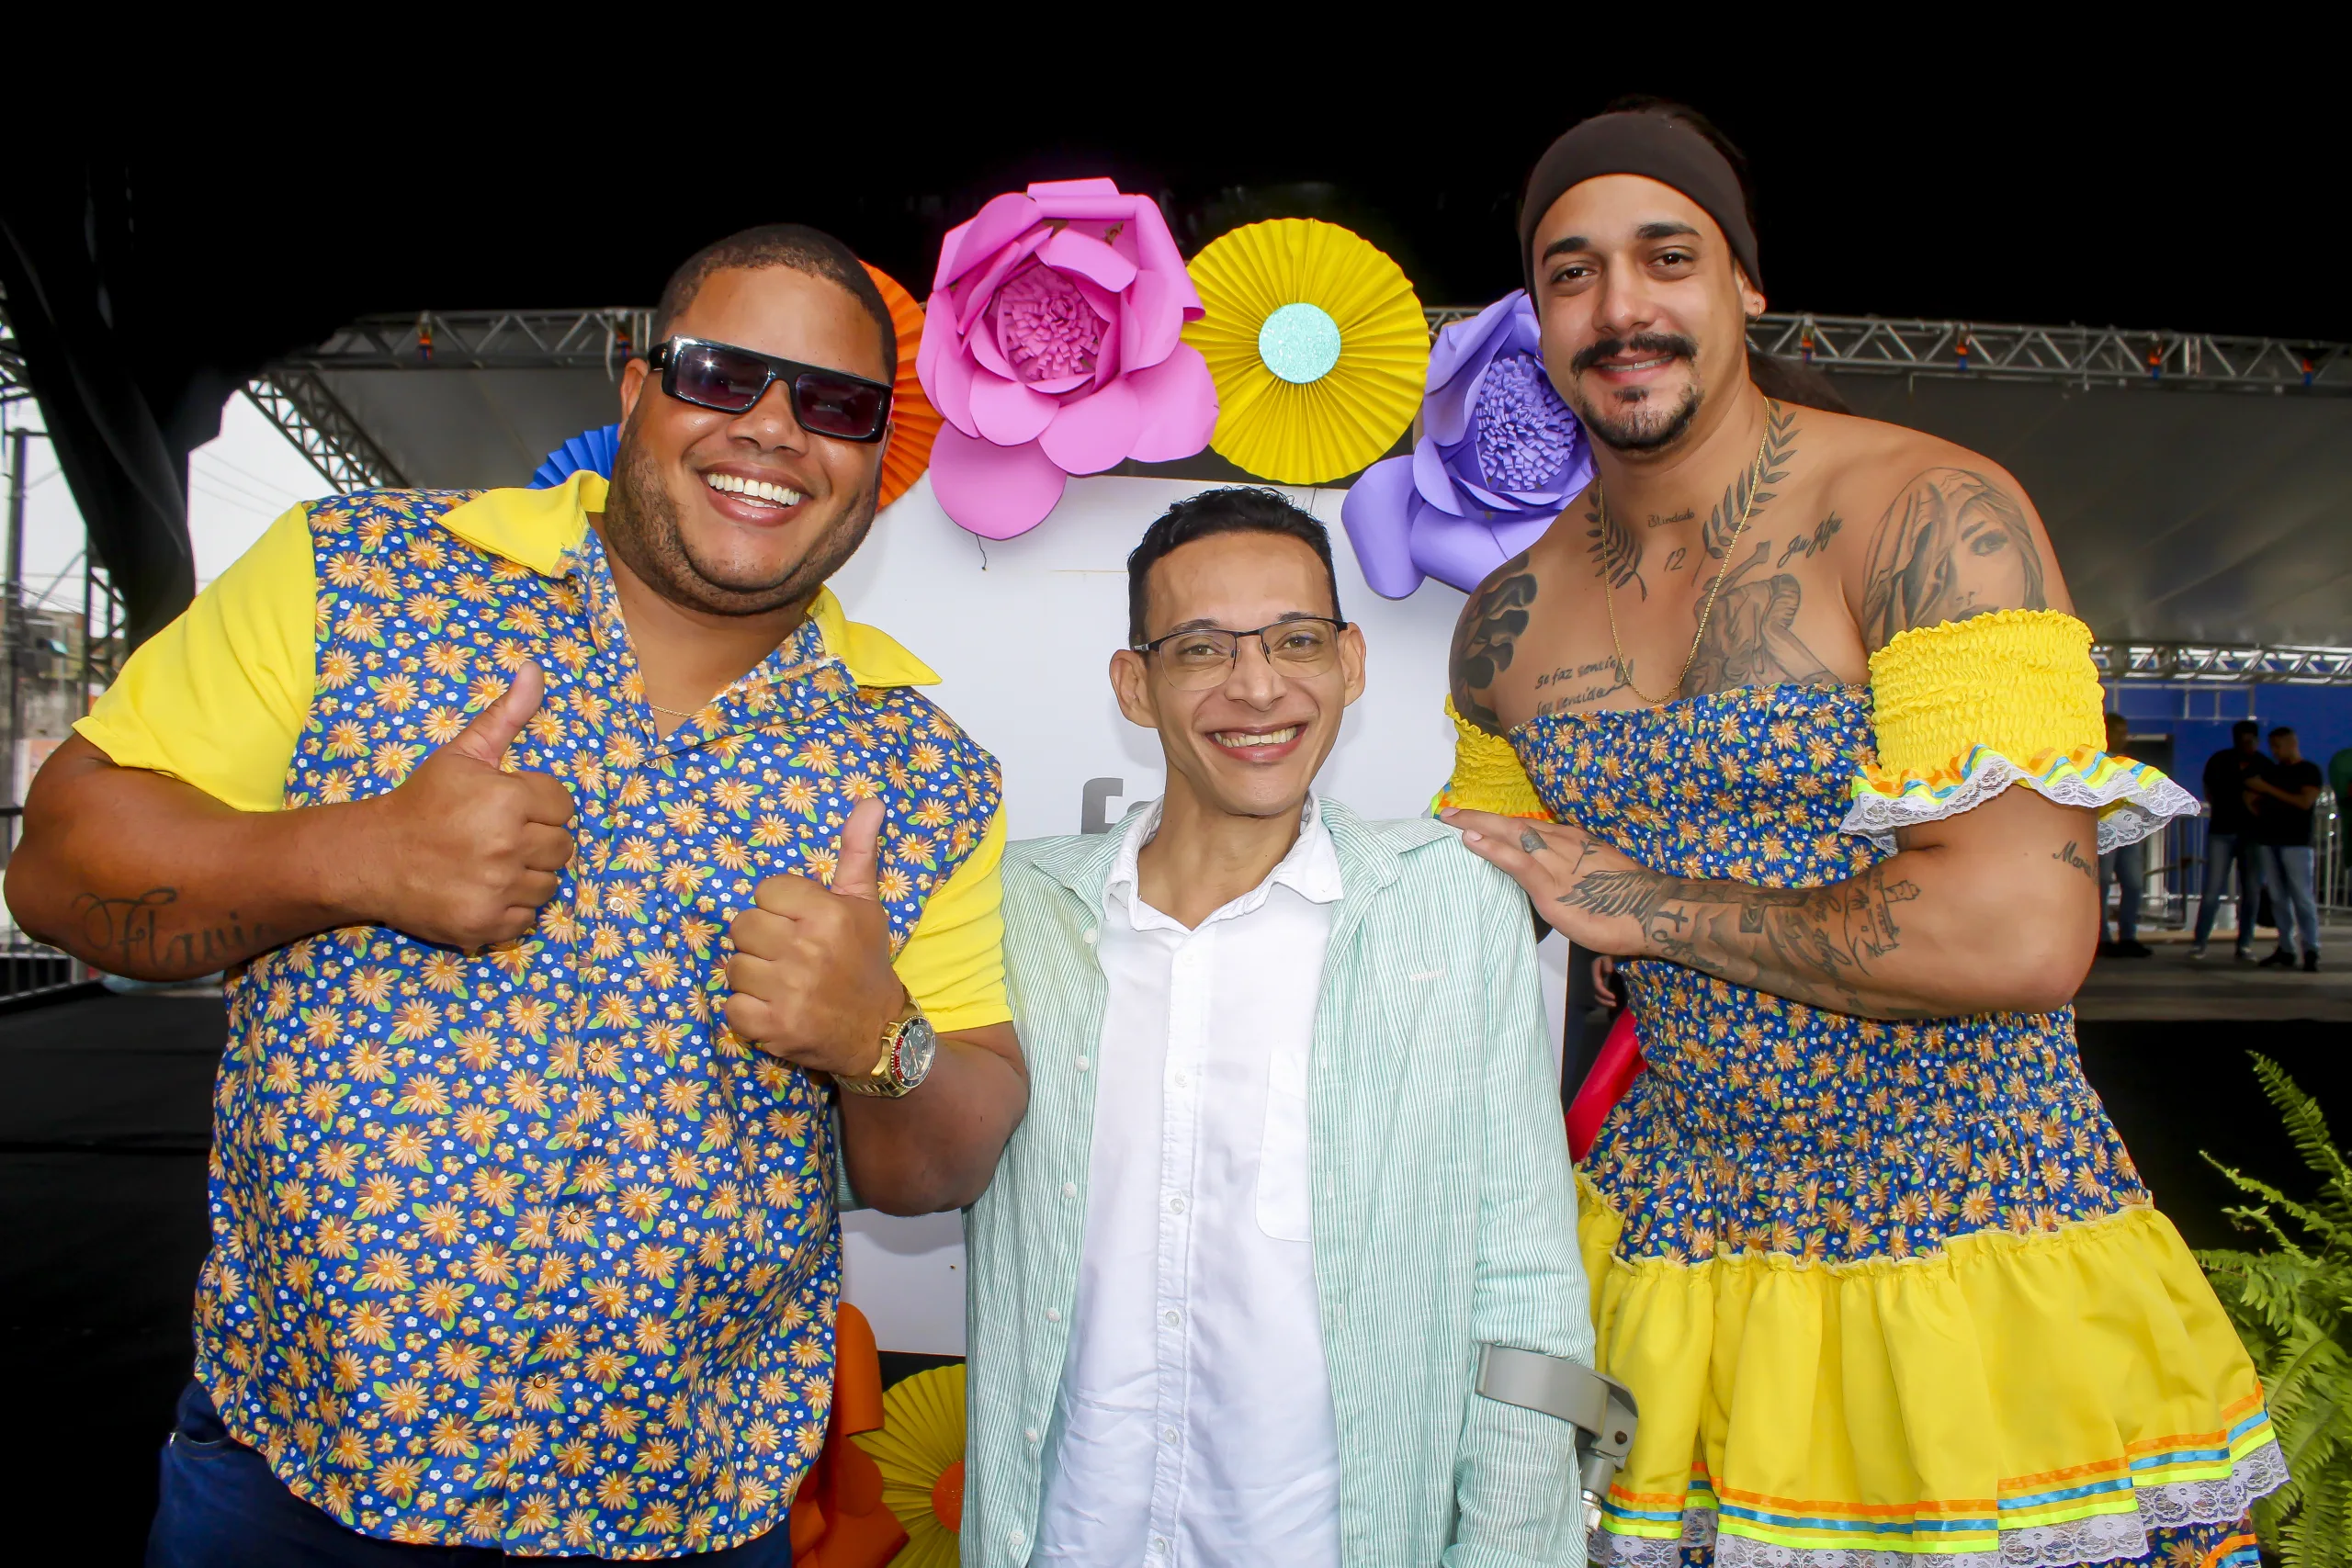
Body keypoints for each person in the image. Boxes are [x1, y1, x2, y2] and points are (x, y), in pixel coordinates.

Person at [4, 226, 1029, 1564]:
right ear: (635, 388)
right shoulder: (357, 574)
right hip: (294, 1486)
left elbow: (934, 1165)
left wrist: (876, 1037)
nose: (775, 427)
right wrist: (355, 855)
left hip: (685, 1512)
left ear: (872, 452)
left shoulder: (922, 767)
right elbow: (57, 864)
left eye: (835, 403)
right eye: (724, 374)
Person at [1437, 101, 2277, 1566]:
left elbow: (2019, 934)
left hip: (1973, 1244)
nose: (1620, 307)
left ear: (1745, 282)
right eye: (1572, 272)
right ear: (1539, 315)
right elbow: (1460, 920)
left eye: (1666, 256)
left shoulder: (1929, 512)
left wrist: (1652, 908)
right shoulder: (1500, 625)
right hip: (1674, 1251)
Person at [964, 489, 1595, 1567]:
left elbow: (1527, 1291)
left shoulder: (1449, 907)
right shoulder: (1015, 911)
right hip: (1070, 1537)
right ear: (1134, 685)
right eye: (1201, 648)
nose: (1257, 686)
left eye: (1295, 640)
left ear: (1351, 662)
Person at [2249, 725, 2324, 972]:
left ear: (2292, 744)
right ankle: (2286, 947)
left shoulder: (2308, 770)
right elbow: (2254, 799)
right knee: (2278, 898)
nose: (2274, 751)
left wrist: (2266, 790)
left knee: (2302, 897)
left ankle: (2311, 948)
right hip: (2270, 839)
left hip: (2296, 842)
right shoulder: (2273, 772)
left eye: (2278, 746)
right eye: (2272, 746)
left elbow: (2304, 802)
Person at [2191, 719, 2267, 960]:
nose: (2246, 745)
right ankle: (2200, 942)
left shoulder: (2263, 764)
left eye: (2249, 740)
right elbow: (2209, 789)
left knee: (2251, 891)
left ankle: (2244, 945)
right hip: (2223, 830)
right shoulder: (2221, 760)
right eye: (2242, 740)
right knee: (2213, 890)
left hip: (2251, 833)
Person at [2097, 712, 2152, 956]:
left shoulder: (2127, 762)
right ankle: (2102, 936)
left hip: (2129, 826)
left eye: (2125, 733)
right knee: (2102, 882)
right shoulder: (2098, 762)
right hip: (2106, 826)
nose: (2124, 738)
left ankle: (2128, 935)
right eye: (2119, 732)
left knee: (2133, 883)